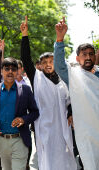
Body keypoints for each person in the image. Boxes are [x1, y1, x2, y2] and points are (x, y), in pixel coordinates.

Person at [20, 16, 77, 170]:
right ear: (40, 65)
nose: (48, 64)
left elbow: (71, 100)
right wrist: (25, 35)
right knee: (47, 161)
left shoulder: (64, 79)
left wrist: (71, 112)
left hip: (63, 127)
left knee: (66, 160)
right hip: (44, 128)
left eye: (51, 61)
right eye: (44, 62)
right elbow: (25, 59)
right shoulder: (36, 78)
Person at [54, 17, 99, 170]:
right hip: (86, 133)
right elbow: (59, 66)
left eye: (91, 54)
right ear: (77, 58)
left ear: (94, 57)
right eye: (84, 54)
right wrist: (60, 39)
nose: (88, 57)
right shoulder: (73, 76)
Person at [0, 57, 39, 170]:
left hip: (20, 140)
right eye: (7, 69)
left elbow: (35, 112)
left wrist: (23, 119)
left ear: (17, 72)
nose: (10, 71)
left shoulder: (25, 90)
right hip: (1, 140)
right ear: (1, 71)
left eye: (13, 69)